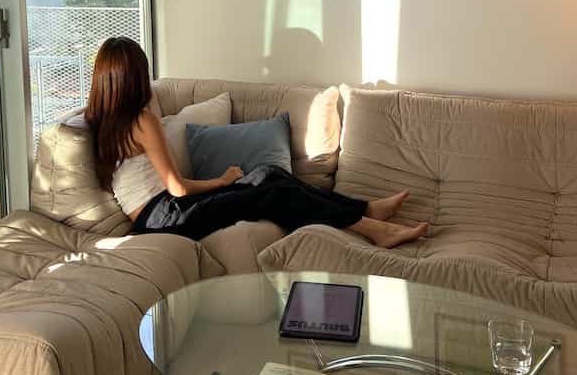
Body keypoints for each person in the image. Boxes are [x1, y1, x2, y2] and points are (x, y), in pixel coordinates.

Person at [86, 37, 428, 248]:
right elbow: (176, 188)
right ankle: (372, 228)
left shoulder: (100, 120)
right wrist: (221, 181)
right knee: (273, 193)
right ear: (136, 78)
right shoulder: (142, 120)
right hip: (167, 217)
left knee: (268, 173)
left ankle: (365, 208)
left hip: (156, 217)